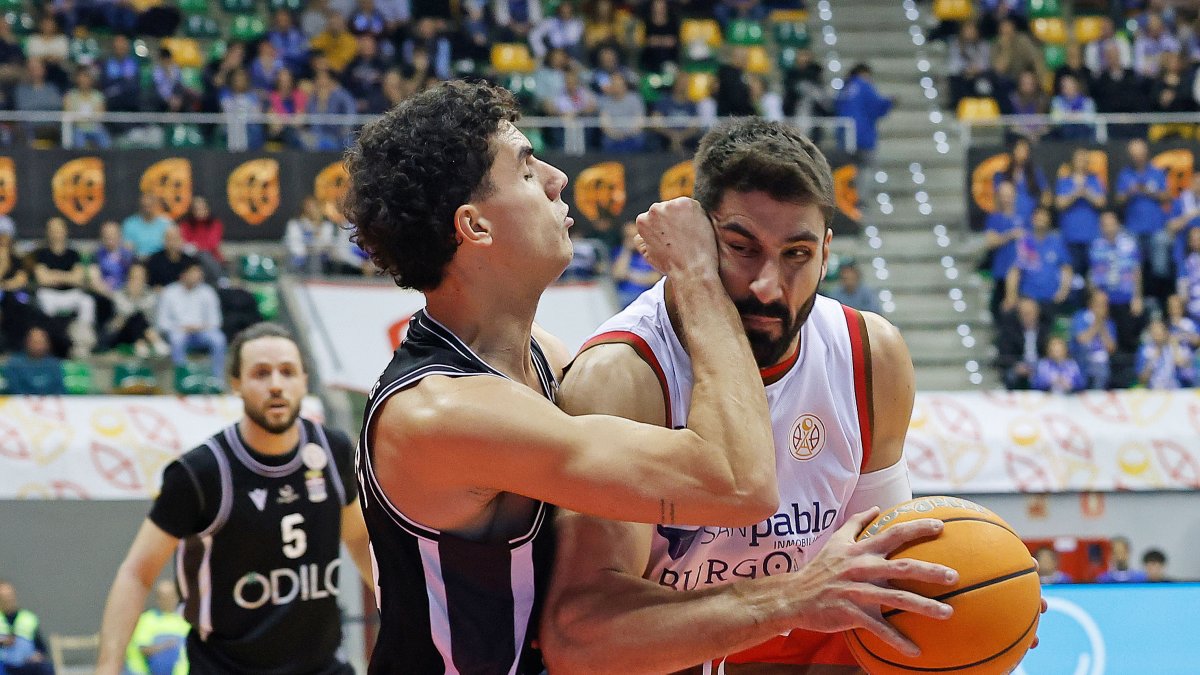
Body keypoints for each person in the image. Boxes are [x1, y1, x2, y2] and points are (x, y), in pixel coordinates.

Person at [343, 80, 784, 673]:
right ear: (474, 226)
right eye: (527, 171)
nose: (558, 178)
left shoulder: (543, 356)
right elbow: (738, 484)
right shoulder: (439, 412)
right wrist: (697, 276)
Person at [541, 119, 964, 673]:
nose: (768, 284)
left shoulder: (870, 355)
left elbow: (883, 571)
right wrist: (792, 597)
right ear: (696, 239)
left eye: (796, 254)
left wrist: (977, 612)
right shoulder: (624, 377)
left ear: (827, 254)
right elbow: (580, 641)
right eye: (742, 248)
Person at [96, 323, 371, 675]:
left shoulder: (334, 451)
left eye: (287, 372)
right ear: (235, 383)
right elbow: (137, 572)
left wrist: (411, 622)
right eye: (260, 373)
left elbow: (359, 539)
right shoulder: (199, 472)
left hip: (323, 667)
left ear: (304, 380)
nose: (275, 384)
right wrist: (107, 666)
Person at [31, 216, 97, 359]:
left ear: (65, 232)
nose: (56, 234)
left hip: (71, 293)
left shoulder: (73, 254)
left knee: (87, 302)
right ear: (48, 232)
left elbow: (78, 278)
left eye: (59, 230)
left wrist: (54, 275)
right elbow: (42, 279)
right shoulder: (42, 254)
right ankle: (51, 341)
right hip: (50, 294)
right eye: (53, 230)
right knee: (44, 301)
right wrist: (67, 276)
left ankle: (83, 342)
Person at [1117, 138, 1171, 300]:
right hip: (1133, 228)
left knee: (1160, 266)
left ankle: (1160, 299)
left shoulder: (1156, 172)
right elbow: (1118, 200)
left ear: (1146, 154)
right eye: (1134, 155)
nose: (1137, 157)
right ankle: (1137, 299)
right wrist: (1130, 192)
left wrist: (1150, 192)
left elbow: (1167, 196)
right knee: (1132, 267)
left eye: (1139, 154)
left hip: (1156, 228)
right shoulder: (1125, 174)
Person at [155, 261, 226, 384]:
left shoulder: (208, 292)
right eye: (193, 272)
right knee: (177, 339)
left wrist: (200, 327)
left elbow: (216, 321)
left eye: (198, 272)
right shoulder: (169, 292)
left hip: (203, 332)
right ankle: (183, 380)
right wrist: (181, 327)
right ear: (183, 275)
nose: (197, 275)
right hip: (179, 332)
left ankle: (217, 380)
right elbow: (162, 322)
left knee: (219, 339)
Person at [835, 62, 893, 206]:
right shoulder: (864, 85)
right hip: (863, 135)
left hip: (845, 136)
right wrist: (890, 102)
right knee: (866, 166)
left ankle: (844, 198)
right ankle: (859, 199)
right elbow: (877, 107)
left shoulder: (845, 88)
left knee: (848, 168)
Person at [1089, 211, 1144, 358]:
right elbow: (1094, 275)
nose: (1108, 228)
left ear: (1118, 225)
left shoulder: (1129, 244)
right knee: (1106, 336)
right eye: (1105, 224)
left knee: (1127, 336)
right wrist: (1096, 299)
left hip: (1126, 298)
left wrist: (1137, 297)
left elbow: (1136, 271)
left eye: (1111, 224)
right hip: (1105, 300)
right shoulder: (1096, 246)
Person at [1003, 206, 1072, 320]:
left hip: (1050, 299)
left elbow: (1066, 268)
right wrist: (1011, 295)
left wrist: (1063, 291)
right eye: (1038, 216)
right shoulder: (1024, 241)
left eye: (1044, 217)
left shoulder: (1056, 241)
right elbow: (1014, 271)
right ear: (1032, 219)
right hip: (1028, 299)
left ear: (1049, 220)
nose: (1041, 220)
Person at [984, 180, 1028, 321]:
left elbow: (1030, 246)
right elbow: (990, 241)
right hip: (1001, 272)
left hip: (1022, 275)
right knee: (999, 312)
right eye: (1003, 195)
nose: (1006, 198)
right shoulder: (994, 218)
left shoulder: (1023, 218)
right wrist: (1010, 235)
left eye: (1009, 195)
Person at [125, 580, 189, 675]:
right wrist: (165, 646)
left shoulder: (186, 620)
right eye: (163, 597)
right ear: (158, 599)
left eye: (170, 597)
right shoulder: (147, 620)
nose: (168, 600)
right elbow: (143, 648)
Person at [0, 580, 52, 675]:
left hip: (26, 664)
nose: (8, 600)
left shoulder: (28, 619)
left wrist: (38, 655)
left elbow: (41, 647)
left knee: (46, 668)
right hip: (3, 665)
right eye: (3, 597)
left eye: (9, 596)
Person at [1070, 289, 1117, 390]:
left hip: (1101, 362)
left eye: (1104, 305)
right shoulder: (1081, 317)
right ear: (1091, 303)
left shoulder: (1109, 323)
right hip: (1081, 358)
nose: (1102, 308)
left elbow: (1111, 349)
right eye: (1099, 304)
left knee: (1101, 368)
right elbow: (1081, 340)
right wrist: (1096, 325)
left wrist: (1102, 327)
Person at [995, 297, 1047, 390]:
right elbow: (1004, 354)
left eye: (1030, 313)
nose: (1027, 317)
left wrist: (1041, 366)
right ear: (1019, 315)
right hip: (1018, 365)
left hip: (1040, 366)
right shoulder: (1010, 332)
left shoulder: (1045, 331)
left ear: (1037, 313)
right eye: (1024, 314)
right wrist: (1017, 365)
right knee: (1011, 376)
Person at [610, 220, 662, 308]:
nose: (632, 240)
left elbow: (655, 278)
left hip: (646, 295)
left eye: (634, 236)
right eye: (628, 237)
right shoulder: (619, 252)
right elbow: (618, 275)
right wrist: (626, 250)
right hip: (623, 297)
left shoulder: (650, 252)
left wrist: (630, 275)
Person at [3, 326, 65, 396]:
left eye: (41, 342)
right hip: (20, 404)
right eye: (35, 342)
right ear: (27, 342)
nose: (38, 346)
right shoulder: (15, 364)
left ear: (48, 344)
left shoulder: (54, 364)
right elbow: (14, 388)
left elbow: (59, 389)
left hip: (50, 404)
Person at [123, 192, 174, 259]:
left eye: (150, 206)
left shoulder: (166, 223)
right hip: (139, 261)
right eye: (144, 206)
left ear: (156, 206)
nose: (147, 209)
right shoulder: (130, 224)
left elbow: (173, 244)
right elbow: (127, 249)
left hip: (162, 261)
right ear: (140, 206)